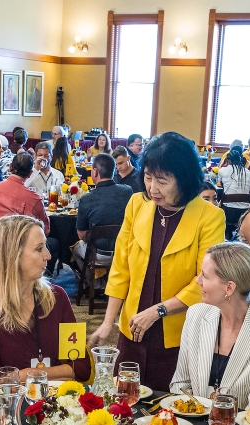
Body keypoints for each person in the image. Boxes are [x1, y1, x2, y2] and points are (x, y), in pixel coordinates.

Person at [89, 132, 226, 390]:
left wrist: (158, 311)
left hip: (178, 332)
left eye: (162, 181)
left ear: (184, 179)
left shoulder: (209, 217)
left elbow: (205, 282)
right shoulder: (137, 205)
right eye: (148, 178)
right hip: (133, 327)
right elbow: (121, 268)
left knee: (168, 411)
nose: (152, 188)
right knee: (125, 402)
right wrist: (108, 322)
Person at [0, 215, 89, 382]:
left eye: (45, 246)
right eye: (39, 249)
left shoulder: (57, 297)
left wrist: (27, 374)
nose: (48, 255)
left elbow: (82, 368)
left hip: (54, 403)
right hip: (10, 405)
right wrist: (59, 372)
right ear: (12, 255)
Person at [171, 241, 250, 407]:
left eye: (205, 275)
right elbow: (180, 385)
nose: (198, 281)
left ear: (229, 288)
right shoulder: (195, 315)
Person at [71, 152, 131, 262]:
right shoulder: (128, 191)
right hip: (125, 251)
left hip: (98, 254)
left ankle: (90, 278)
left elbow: (82, 235)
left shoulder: (86, 199)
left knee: (74, 249)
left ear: (95, 172)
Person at [0, 153, 50, 233]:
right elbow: (45, 230)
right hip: (19, 244)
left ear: (10, 167)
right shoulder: (34, 199)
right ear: (30, 174)